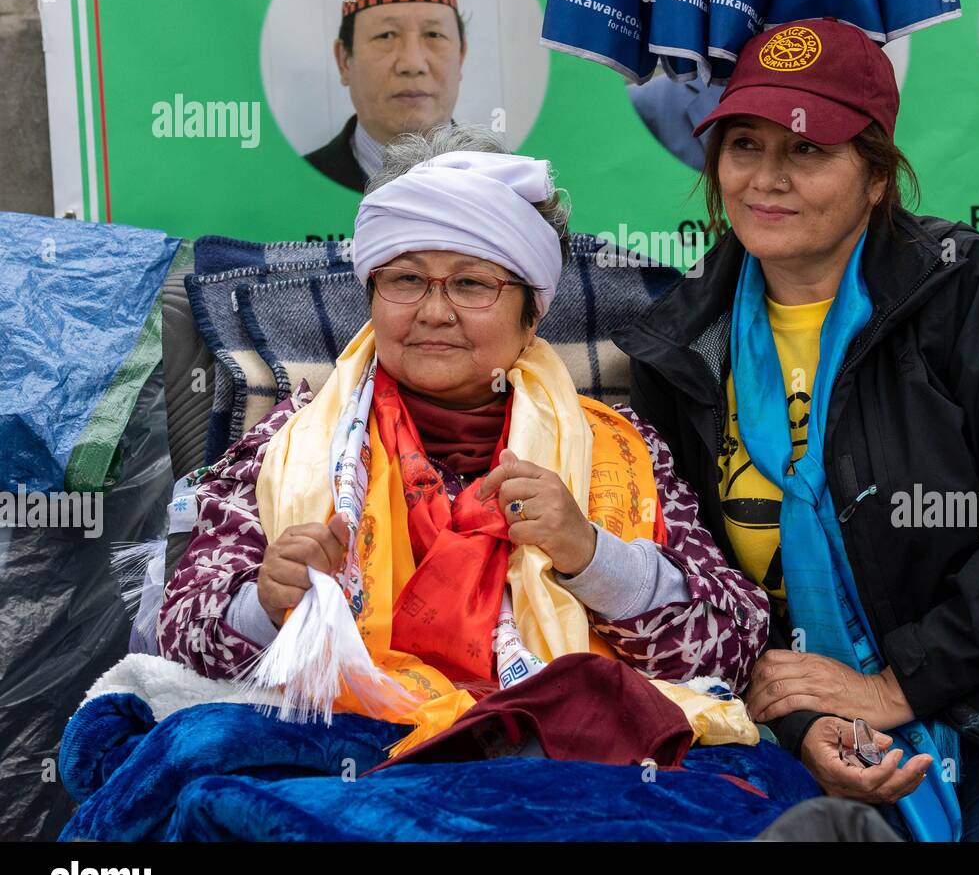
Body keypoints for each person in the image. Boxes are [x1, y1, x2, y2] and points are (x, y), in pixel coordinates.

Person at [616, 17, 979, 841]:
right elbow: (700, 592)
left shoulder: (967, 294)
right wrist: (799, 725)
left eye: (807, 150)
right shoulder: (682, 346)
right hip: (825, 731)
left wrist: (894, 688)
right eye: (744, 146)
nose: (766, 179)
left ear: (878, 177)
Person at [159, 124, 768, 754]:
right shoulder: (289, 444)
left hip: (570, 757)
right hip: (356, 751)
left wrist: (590, 555)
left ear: (534, 311)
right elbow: (179, 632)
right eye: (405, 280)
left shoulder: (615, 447)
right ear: (371, 295)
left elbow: (736, 643)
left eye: (473, 284)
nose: (433, 312)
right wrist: (266, 603)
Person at [305, 0, 467, 192]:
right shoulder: (291, 187)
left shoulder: (512, 185)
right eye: (386, 35)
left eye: (434, 35)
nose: (413, 64)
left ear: (461, 55)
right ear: (344, 60)